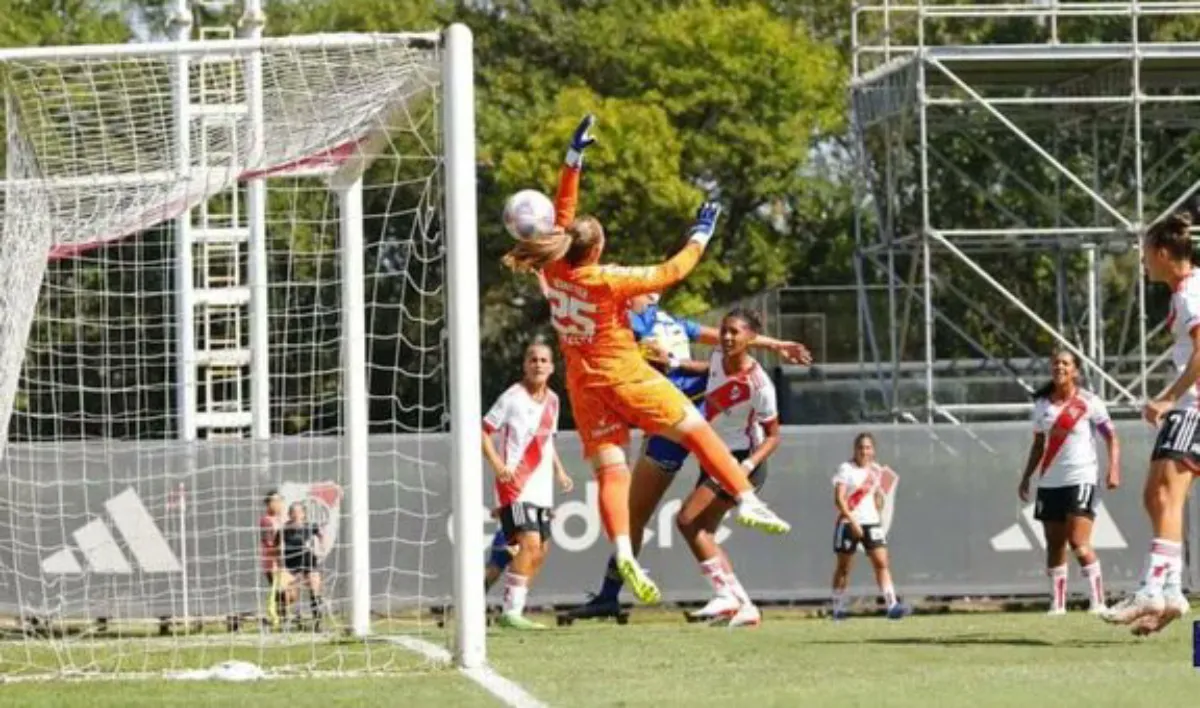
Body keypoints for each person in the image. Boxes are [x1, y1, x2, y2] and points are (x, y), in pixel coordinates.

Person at [502, 114, 791, 605]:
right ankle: (746, 499)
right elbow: (672, 269)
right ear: (598, 247)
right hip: (625, 374)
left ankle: (625, 554)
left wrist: (572, 162)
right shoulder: (605, 278)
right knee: (697, 429)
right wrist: (701, 234)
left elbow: (565, 214)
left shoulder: (552, 266)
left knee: (613, 472)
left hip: (583, 387)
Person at [1103, 211, 1198, 634]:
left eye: (1144, 254)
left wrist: (1168, 398)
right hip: (1188, 407)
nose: (1143, 263)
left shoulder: (1190, 293)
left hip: (1193, 406)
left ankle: (1152, 587)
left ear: (1161, 253)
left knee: (1165, 494)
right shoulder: (1185, 290)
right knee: (1156, 496)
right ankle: (1171, 590)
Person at [675, 309, 783, 628]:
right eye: (724, 330)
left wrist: (745, 467)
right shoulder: (718, 356)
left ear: (750, 338)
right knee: (702, 530)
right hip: (715, 456)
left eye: (735, 332)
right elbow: (710, 371)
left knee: (687, 521)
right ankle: (744, 604)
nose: (726, 336)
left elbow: (775, 436)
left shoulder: (760, 384)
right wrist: (678, 364)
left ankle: (726, 596)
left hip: (740, 461)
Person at [1018, 349, 1120, 616]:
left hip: (1081, 478)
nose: (1059, 367)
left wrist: (1113, 469)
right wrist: (1027, 476)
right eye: (1055, 363)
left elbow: (1111, 437)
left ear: (1075, 370)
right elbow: (1038, 445)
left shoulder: (1089, 402)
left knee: (1078, 541)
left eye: (1065, 363)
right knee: (1054, 544)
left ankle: (1098, 601)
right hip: (1050, 481)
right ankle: (1058, 603)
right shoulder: (1041, 405)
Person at [481, 339, 572, 629]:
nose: (538, 365)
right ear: (524, 365)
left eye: (544, 360)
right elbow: (482, 431)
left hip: (541, 487)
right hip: (516, 484)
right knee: (529, 545)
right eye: (533, 359)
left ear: (552, 367)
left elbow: (547, 442)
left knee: (541, 550)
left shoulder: (554, 401)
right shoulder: (512, 396)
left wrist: (559, 472)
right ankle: (511, 612)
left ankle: (508, 609)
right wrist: (497, 464)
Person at [829, 433, 910, 620]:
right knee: (844, 567)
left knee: (882, 563)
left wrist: (879, 504)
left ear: (873, 450)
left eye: (868, 448)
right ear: (855, 449)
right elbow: (839, 499)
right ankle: (838, 607)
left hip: (871, 522)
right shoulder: (846, 468)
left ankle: (892, 605)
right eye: (861, 448)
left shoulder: (876, 471)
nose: (864, 452)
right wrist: (852, 521)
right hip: (849, 522)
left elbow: (877, 497)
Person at [281, 502, 327, 630]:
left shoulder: (310, 526)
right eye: (293, 512)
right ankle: (285, 621)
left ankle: (318, 622)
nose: (296, 515)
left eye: (299, 512)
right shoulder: (285, 528)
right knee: (289, 594)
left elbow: (320, 534)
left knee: (314, 587)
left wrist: (321, 547)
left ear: (303, 514)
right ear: (289, 514)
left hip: (308, 560)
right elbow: (276, 543)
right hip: (291, 562)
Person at [259, 490, 288, 627]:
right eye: (275, 501)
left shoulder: (281, 520)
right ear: (269, 504)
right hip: (272, 563)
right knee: (278, 591)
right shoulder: (266, 521)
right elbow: (268, 542)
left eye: (280, 500)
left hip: (282, 561)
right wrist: (276, 552)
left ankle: (280, 618)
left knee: (286, 592)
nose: (278, 504)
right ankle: (277, 619)